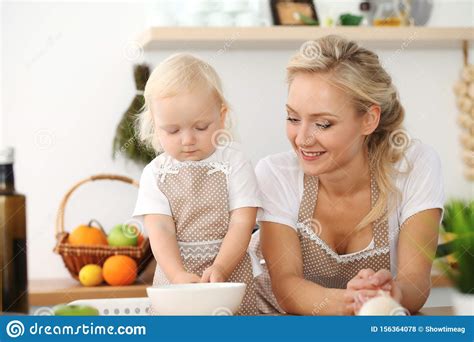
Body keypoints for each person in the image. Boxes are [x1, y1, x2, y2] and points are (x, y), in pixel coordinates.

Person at [250, 35, 445, 315]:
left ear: (369, 119)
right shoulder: (275, 174)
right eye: (293, 118)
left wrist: (391, 293)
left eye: (323, 124)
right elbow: (287, 289)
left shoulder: (414, 166)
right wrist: (356, 302)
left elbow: (415, 282)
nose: (302, 139)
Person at [132, 53, 261, 315]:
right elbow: (161, 231)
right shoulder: (155, 174)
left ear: (221, 116)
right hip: (177, 279)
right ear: (155, 127)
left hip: (230, 275)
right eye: (172, 130)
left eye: (201, 127)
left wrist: (222, 267)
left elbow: (242, 222)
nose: (188, 139)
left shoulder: (235, 163)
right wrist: (178, 276)